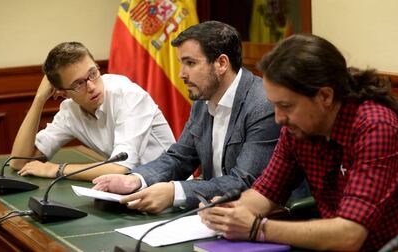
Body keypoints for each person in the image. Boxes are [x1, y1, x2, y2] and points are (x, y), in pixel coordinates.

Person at [199, 33, 398, 251]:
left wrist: (258, 228)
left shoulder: (376, 127)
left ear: (325, 96)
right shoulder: (297, 130)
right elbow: (265, 192)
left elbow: (350, 235)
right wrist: (227, 213)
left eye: (286, 106)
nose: (278, 118)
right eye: (274, 105)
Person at [92, 21, 283, 213]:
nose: (181, 74)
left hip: (267, 219)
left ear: (221, 63)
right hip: (212, 212)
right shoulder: (203, 99)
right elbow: (180, 157)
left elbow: (245, 181)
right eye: (181, 63)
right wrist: (134, 180)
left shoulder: (262, 105)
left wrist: (174, 192)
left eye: (190, 63)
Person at [10, 42, 176, 181]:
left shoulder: (128, 95)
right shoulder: (70, 111)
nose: (91, 86)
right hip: (130, 190)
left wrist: (57, 170)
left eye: (93, 73)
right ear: (62, 92)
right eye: (78, 84)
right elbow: (18, 162)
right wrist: (39, 100)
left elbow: (121, 168)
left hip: (170, 189)